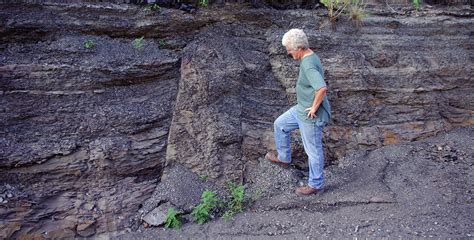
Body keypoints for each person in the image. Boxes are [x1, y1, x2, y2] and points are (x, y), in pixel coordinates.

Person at [265, 29, 331, 195]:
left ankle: (315, 185)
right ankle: (284, 158)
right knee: (280, 124)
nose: (288, 52)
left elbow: (322, 88)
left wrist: (314, 107)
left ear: (299, 47)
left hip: (310, 116)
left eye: (289, 49)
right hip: (300, 109)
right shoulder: (309, 56)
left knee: (313, 151)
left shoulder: (308, 65)